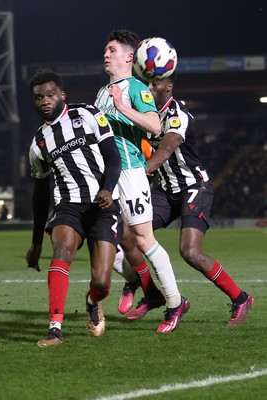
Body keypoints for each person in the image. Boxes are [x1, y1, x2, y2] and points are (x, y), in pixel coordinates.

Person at [95, 29, 189, 332]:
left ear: (128, 56)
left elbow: (152, 124)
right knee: (104, 240)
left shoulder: (136, 88)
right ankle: (139, 284)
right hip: (107, 176)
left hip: (132, 173)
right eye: (106, 50)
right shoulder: (100, 93)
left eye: (112, 50)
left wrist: (123, 106)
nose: (106, 54)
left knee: (144, 240)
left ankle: (175, 304)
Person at [143, 72, 254, 326]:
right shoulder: (148, 117)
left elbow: (166, 149)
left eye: (155, 82)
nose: (149, 87)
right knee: (131, 234)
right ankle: (151, 295)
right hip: (165, 190)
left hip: (195, 186)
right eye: (147, 82)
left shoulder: (178, 115)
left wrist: (141, 172)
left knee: (190, 252)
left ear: (169, 87)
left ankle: (241, 299)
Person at [26, 70, 122, 347]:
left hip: (102, 204)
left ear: (62, 95)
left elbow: (112, 158)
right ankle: (55, 328)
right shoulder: (38, 144)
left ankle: (92, 301)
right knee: (61, 252)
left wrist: (108, 188)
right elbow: (40, 195)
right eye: (39, 97)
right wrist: (35, 243)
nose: (45, 100)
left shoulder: (88, 114)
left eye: (50, 94)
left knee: (102, 282)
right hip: (68, 206)